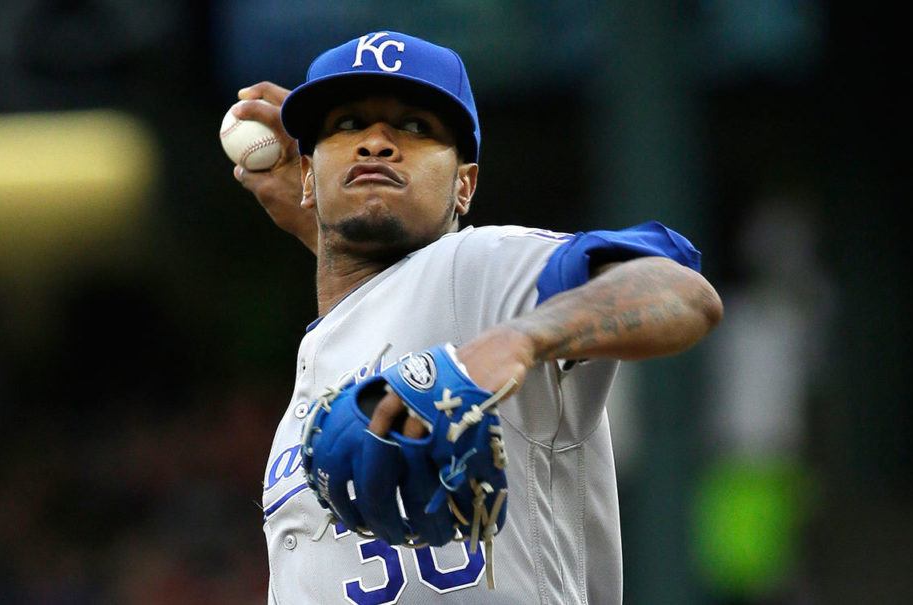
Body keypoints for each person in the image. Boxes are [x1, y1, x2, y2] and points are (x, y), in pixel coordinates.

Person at [228, 31, 723, 605]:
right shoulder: (334, 348)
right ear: (308, 175)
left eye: (415, 127)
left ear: (464, 186)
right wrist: (324, 226)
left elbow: (681, 291)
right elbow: (377, 299)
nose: (377, 143)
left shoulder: (478, 268)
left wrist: (522, 337)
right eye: (347, 125)